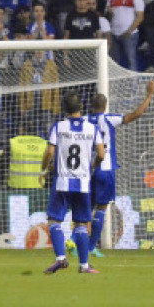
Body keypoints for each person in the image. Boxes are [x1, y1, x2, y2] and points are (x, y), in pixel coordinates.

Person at [68, 80, 154, 259]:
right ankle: (91, 246)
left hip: (86, 170)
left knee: (85, 208)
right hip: (104, 169)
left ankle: (72, 239)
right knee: (101, 208)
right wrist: (150, 94)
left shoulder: (82, 120)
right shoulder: (109, 119)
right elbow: (137, 114)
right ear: (105, 106)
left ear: (90, 106)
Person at [41, 92, 105, 275]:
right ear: (81, 108)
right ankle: (84, 265)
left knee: (54, 220)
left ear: (63, 110)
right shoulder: (92, 128)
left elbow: (49, 153)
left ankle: (61, 259)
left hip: (62, 182)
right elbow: (101, 154)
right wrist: (92, 167)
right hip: (83, 183)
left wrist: (43, 170)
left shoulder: (58, 127)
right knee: (81, 225)